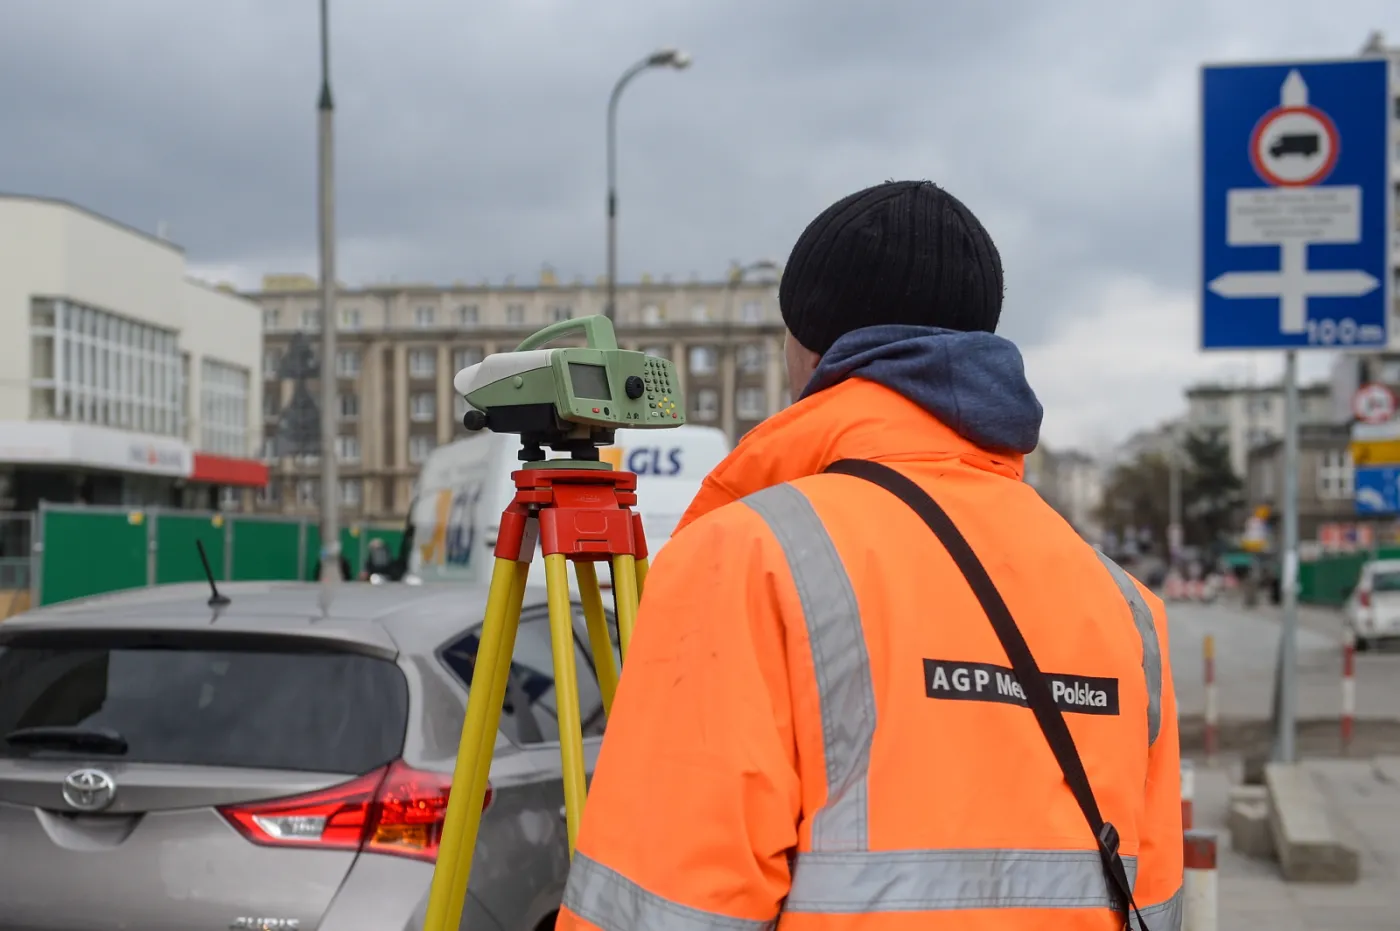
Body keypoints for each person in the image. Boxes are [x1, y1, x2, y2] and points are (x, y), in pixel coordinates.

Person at [554, 180, 1183, 929]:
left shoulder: (748, 559)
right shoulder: (1125, 607)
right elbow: (1156, 903)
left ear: (810, 347)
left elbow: (660, 912)